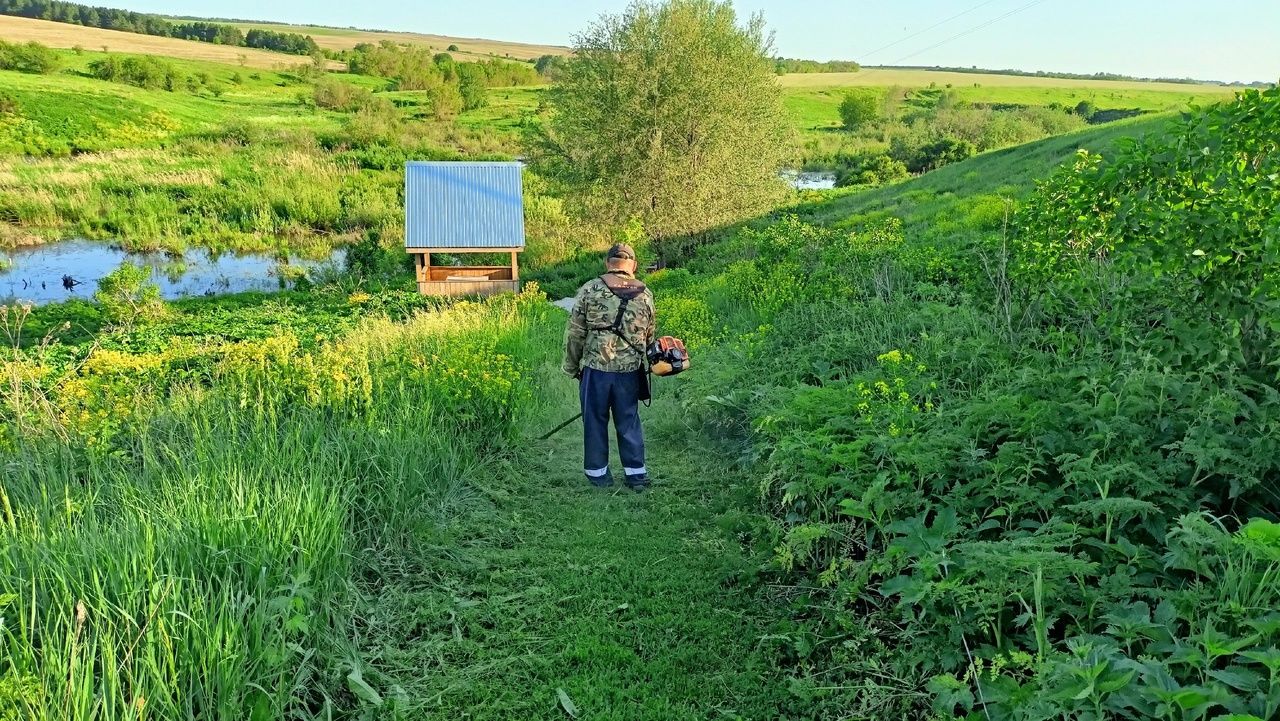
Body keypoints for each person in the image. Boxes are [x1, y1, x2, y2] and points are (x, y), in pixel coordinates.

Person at [561, 243, 656, 491]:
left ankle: (598, 475)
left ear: (607, 263)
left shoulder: (590, 289)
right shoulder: (645, 294)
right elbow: (649, 336)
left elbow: (575, 334)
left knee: (594, 421)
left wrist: (571, 367)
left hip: (596, 370)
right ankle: (636, 475)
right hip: (629, 372)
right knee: (629, 421)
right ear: (633, 265)